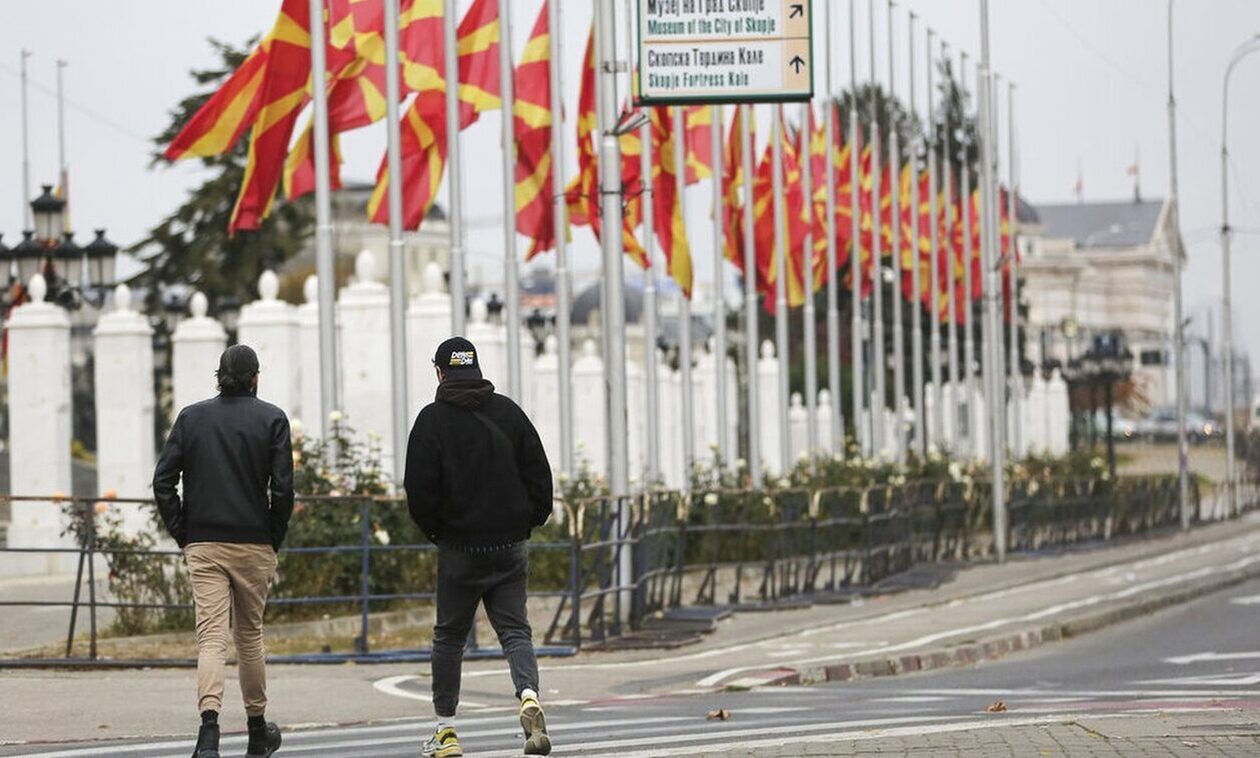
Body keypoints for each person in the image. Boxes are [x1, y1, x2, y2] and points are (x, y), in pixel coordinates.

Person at [405, 336, 554, 757]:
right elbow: (539, 476)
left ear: (439, 372)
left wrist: (439, 532)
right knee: (514, 630)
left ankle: (446, 731)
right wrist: (529, 520)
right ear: (476, 369)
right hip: (509, 544)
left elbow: (419, 491)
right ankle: (528, 695)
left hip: (459, 548)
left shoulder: (431, 421)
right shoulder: (508, 413)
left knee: (449, 638)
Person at [153, 344, 293, 758]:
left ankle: (209, 734)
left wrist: (184, 532)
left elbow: (163, 482)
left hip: (205, 543)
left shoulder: (191, 418)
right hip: (254, 541)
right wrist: (273, 537)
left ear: (219, 377)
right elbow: (283, 490)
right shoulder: (272, 419)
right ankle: (255, 732)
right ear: (255, 378)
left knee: (211, 640)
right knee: (249, 638)